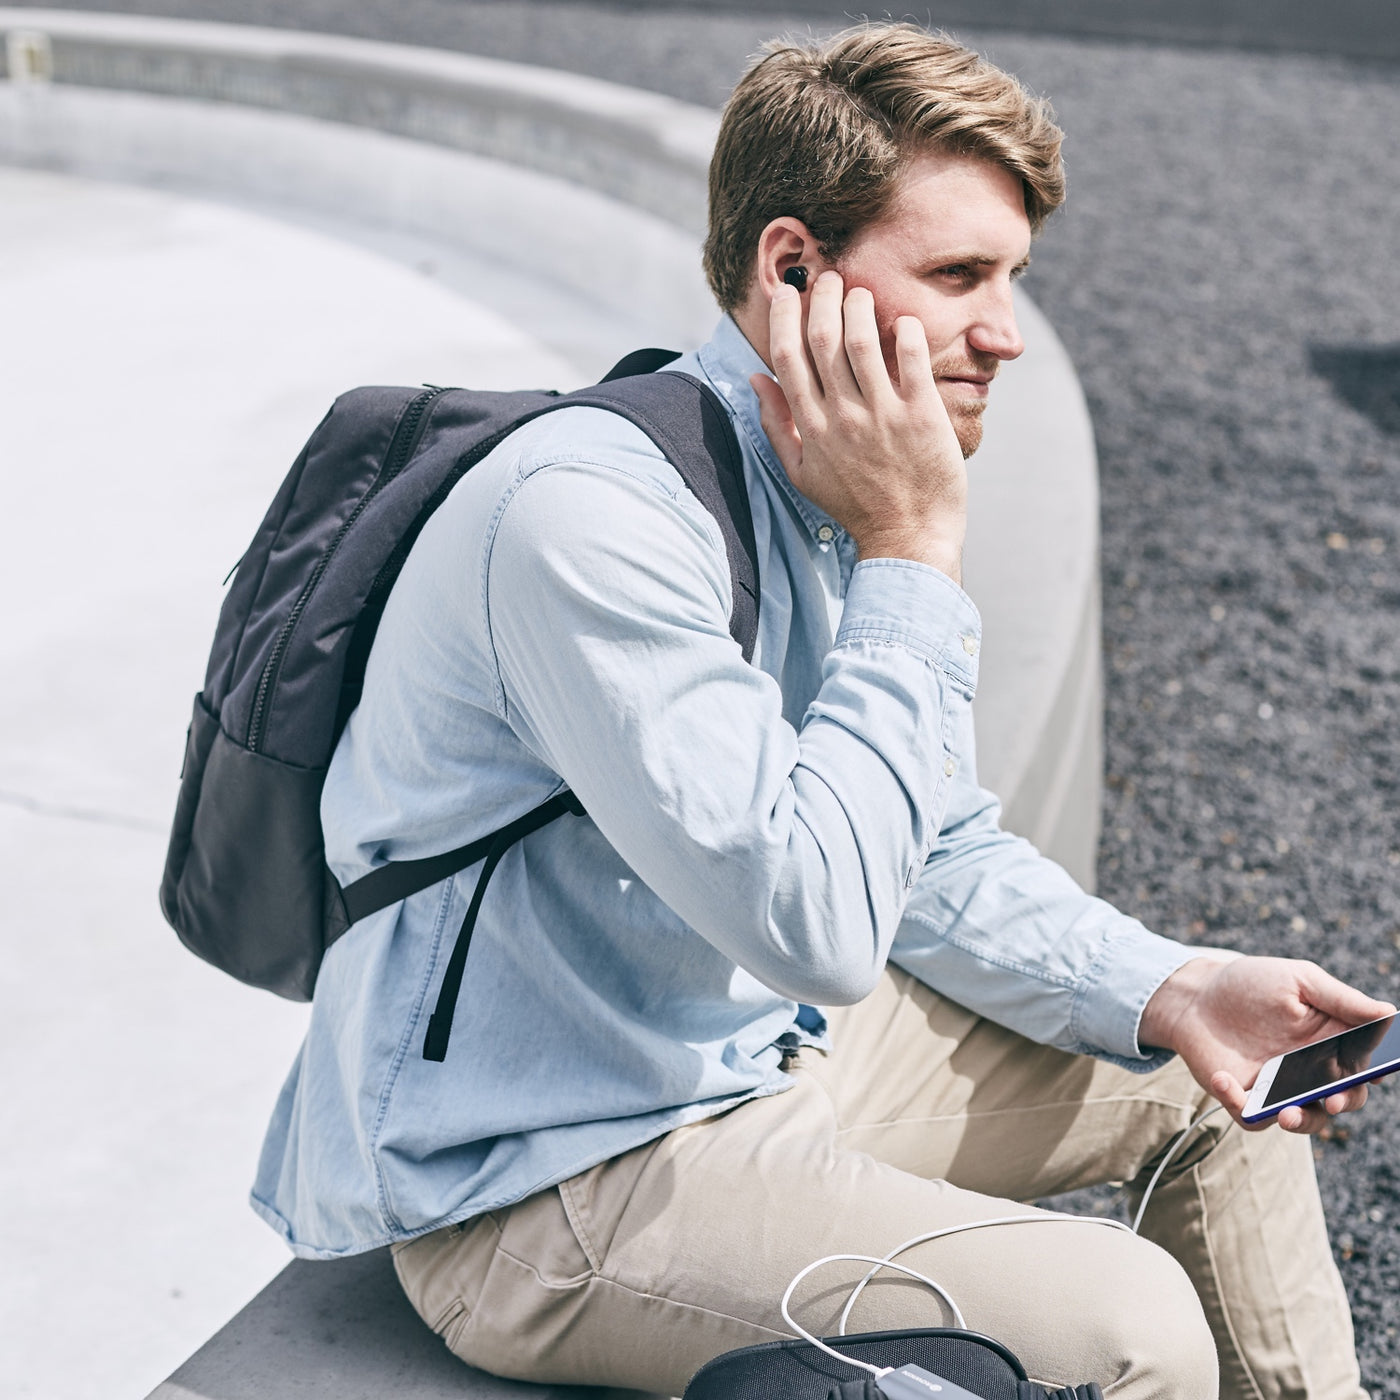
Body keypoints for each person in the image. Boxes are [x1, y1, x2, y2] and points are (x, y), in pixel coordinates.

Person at [251, 23, 1392, 1398]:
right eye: (961, 275)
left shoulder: (823, 481)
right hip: (543, 1172)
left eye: (1013, 279)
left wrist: (1174, 984)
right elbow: (819, 923)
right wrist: (916, 549)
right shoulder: (588, 522)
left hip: (740, 1057)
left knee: (1217, 1087)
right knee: (1128, 1325)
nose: (1006, 336)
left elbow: (933, 853)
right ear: (794, 270)